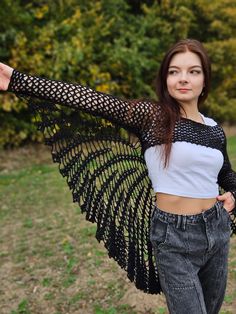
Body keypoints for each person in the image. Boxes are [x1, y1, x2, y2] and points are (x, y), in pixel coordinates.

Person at [0, 39, 236, 314]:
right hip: (174, 237)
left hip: (217, 231)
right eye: (174, 71)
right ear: (165, 79)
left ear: (205, 80)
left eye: (193, 71)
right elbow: (91, 100)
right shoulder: (152, 117)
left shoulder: (215, 130)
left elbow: (226, 174)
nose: (183, 78)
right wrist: (17, 80)